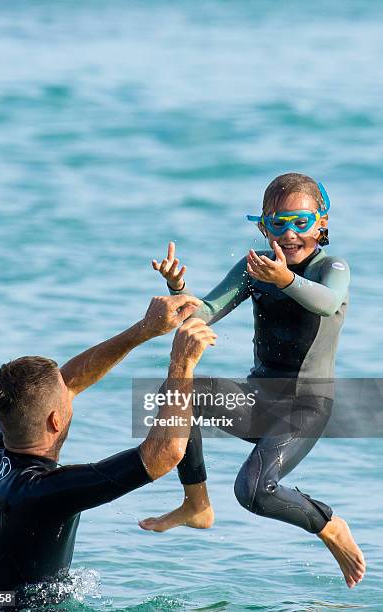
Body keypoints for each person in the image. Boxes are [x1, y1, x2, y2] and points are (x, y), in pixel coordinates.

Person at [140, 173, 366, 589]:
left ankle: (330, 525)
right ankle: (196, 503)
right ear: (263, 227)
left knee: (254, 492)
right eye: (278, 223)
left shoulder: (332, 267)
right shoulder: (254, 268)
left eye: (301, 221)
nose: (290, 233)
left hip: (306, 406)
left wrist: (286, 280)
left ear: (323, 223)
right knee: (176, 393)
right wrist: (179, 290)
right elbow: (204, 311)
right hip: (258, 402)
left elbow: (328, 301)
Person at [0, 294, 217, 603]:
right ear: (55, 421)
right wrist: (182, 364)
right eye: (67, 397)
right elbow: (165, 453)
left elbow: (68, 382)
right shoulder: (44, 492)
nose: (72, 391)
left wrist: (144, 329)